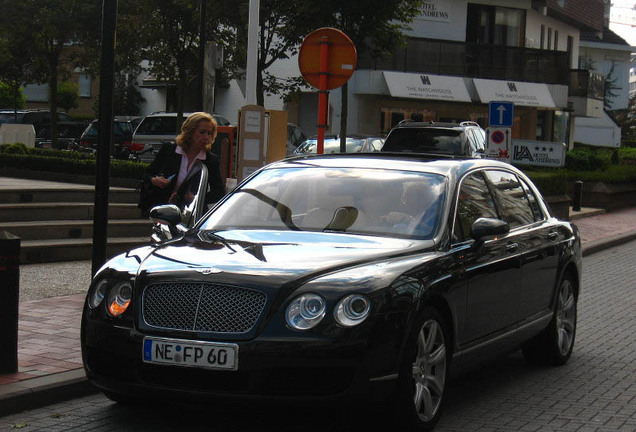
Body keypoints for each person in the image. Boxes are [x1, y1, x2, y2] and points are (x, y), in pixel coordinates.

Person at [138, 112, 226, 217]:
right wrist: (154, 180)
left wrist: (195, 198)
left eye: (209, 133)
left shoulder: (210, 160)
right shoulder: (169, 150)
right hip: (163, 210)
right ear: (190, 132)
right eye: (202, 132)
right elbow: (147, 174)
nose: (206, 137)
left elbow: (219, 192)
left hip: (190, 214)